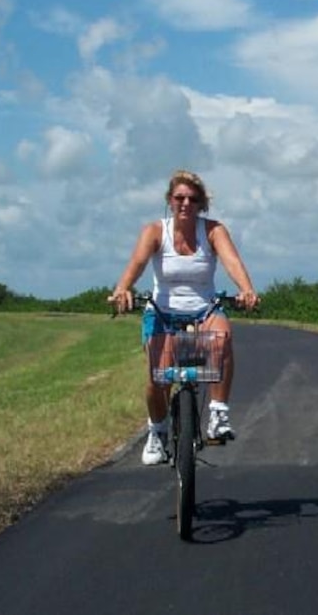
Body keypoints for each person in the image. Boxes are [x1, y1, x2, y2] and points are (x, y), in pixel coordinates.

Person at [110, 170, 260, 465]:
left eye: (192, 199)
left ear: (201, 204)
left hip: (204, 309)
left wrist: (247, 290)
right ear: (170, 200)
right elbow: (137, 264)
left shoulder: (214, 231)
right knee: (158, 377)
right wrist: (122, 290)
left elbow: (232, 262)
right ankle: (157, 430)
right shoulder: (154, 232)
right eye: (179, 198)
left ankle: (218, 413)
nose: (185, 204)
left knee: (223, 339)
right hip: (162, 312)